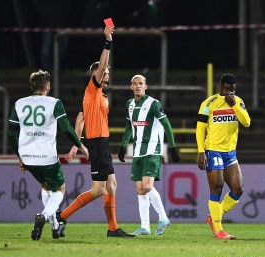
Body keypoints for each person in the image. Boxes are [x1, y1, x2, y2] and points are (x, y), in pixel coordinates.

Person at [61, 26, 134, 238]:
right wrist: (108, 42)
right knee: (98, 190)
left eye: (108, 74)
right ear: (96, 75)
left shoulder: (101, 96)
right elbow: (102, 65)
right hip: (96, 142)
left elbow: (81, 118)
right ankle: (62, 216)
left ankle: (113, 229)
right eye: (104, 73)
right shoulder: (92, 89)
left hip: (102, 143)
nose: (107, 75)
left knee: (111, 184)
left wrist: (76, 145)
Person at [8, 69, 88, 241]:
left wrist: (20, 156)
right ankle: (44, 216)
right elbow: (66, 127)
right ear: (47, 86)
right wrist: (80, 145)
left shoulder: (19, 104)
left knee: (45, 187)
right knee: (60, 189)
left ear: (32, 86)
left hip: (28, 157)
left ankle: (54, 226)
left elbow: (11, 134)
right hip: (47, 157)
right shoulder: (54, 103)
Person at [118, 75, 180, 236]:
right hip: (137, 151)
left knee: (147, 186)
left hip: (153, 150)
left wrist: (172, 147)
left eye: (141, 84)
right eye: (135, 84)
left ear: (146, 86)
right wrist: (123, 146)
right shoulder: (129, 105)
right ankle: (145, 226)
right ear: (131, 87)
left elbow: (166, 124)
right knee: (140, 190)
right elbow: (128, 127)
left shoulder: (153, 104)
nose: (138, 86)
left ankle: (163, 218)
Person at [196, 73, 251, 239]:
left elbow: (247, 122)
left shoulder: (238, 102)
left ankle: (213, 217)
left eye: (232, 90)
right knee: (217, 187)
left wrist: (235, 106)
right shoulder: (208, 104)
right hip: (213, 150)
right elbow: (200, 129)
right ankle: (219, 229)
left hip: (230, 152)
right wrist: (200, 152)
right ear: (219, 87)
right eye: (226, 89)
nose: (229, 93)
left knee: (238, 189)